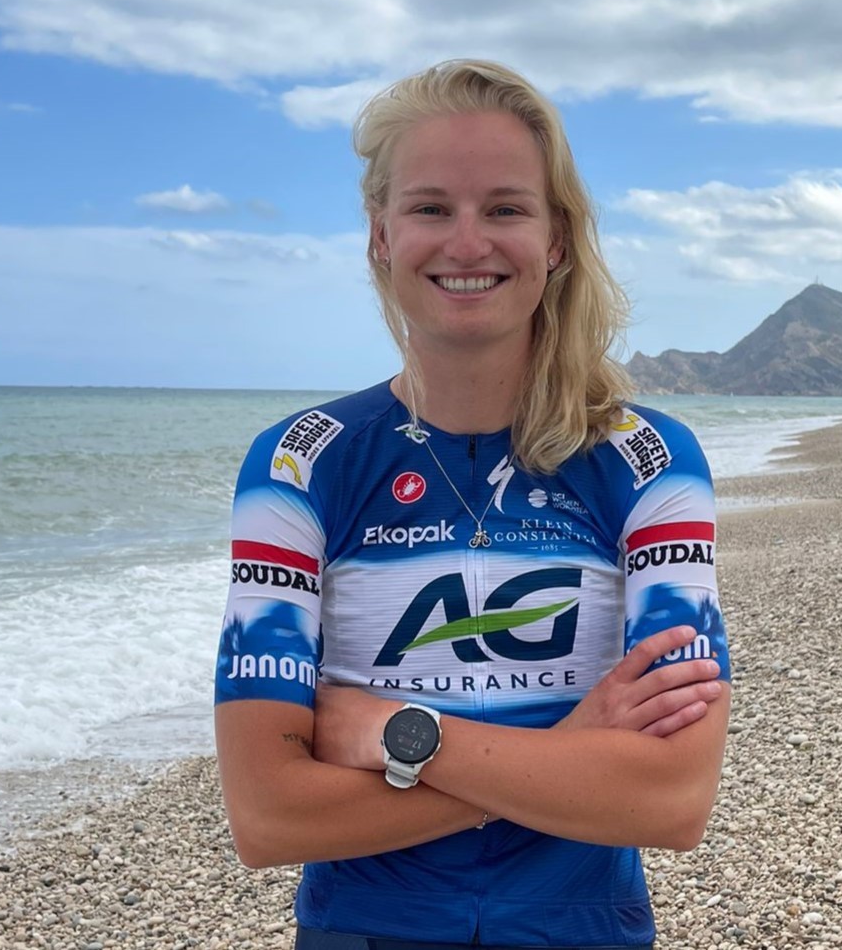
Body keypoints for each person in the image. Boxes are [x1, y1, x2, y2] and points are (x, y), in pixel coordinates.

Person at [214, 59, 732, 950]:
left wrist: (396, 733)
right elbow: (269, 817)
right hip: (365, 930)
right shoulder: (299, 464)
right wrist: (568, 752)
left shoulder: (647, 462)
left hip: (581, 928)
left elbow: (670, 799)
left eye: (503, 208)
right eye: (429, 208)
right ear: (379, 235)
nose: (465, 243)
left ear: (555, 239)